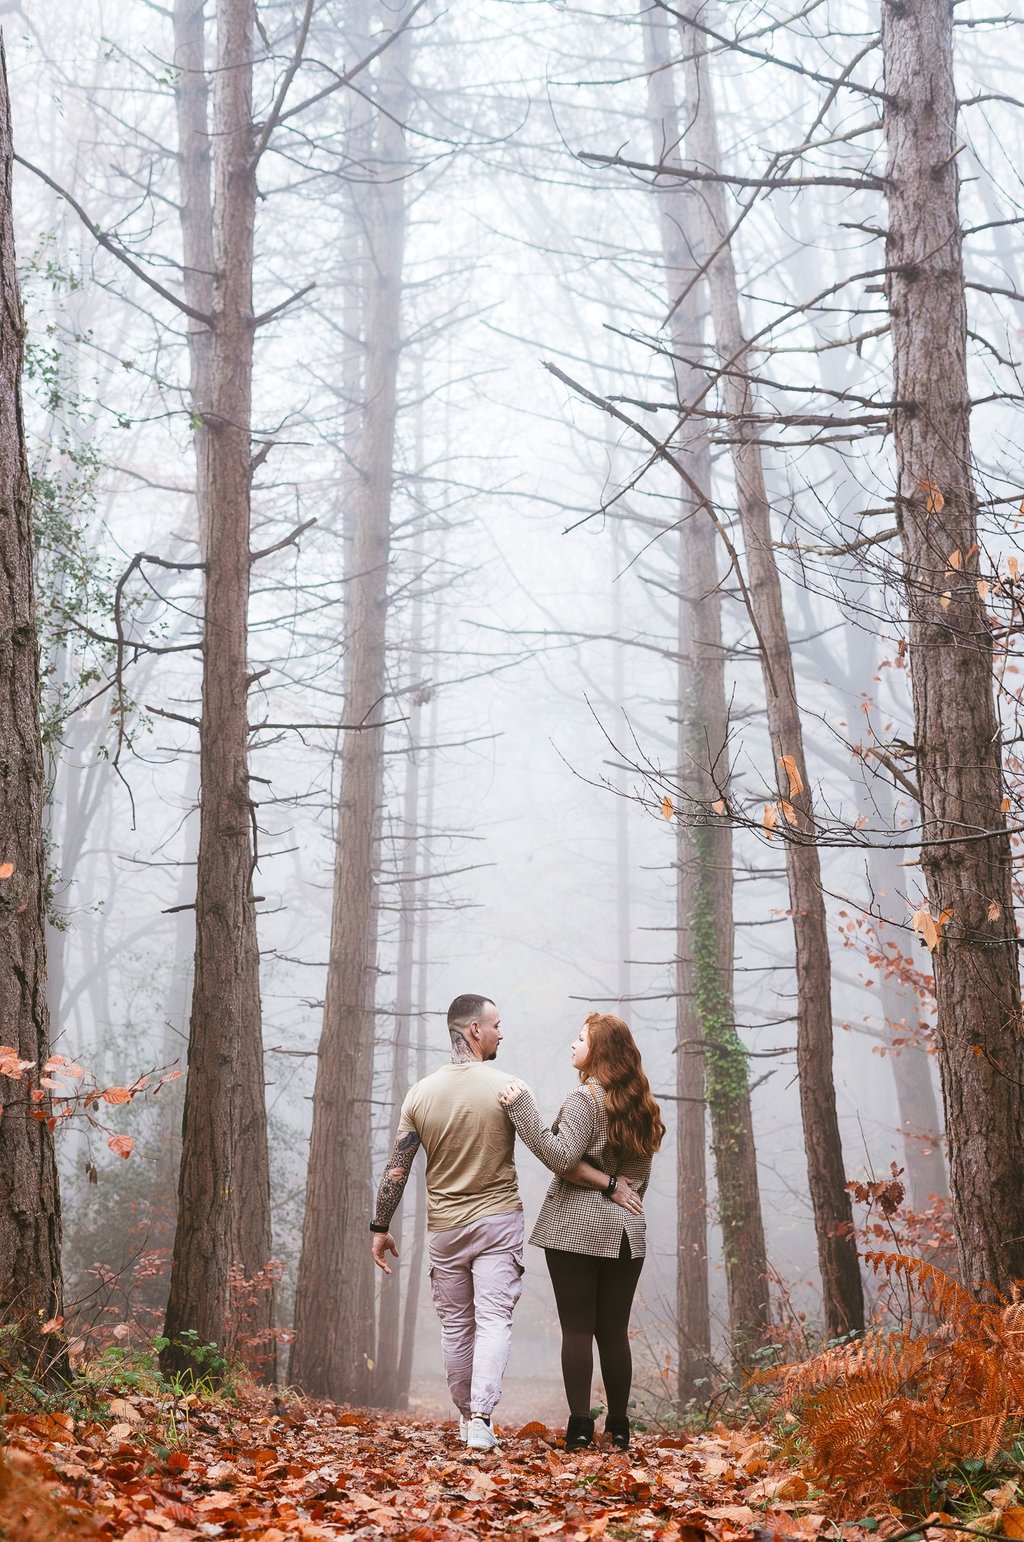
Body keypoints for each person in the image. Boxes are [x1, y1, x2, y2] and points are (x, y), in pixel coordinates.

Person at [370, 994, 639, 1452]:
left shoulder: (419, 1094)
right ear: (475, 1030)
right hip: (498, 1221)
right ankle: (481, 1418)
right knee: (494, 1319)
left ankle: (465, 1417)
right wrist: (611, 1183)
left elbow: (397, 1169)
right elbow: (555, 1156)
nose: (501, 1032)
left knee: (456, 1326)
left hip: (445, 1227)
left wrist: (380, 1226)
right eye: (496, 1024)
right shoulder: (508, 1087)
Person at [500, 1012, 665, 1452]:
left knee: (577, 1330)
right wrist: (613, 1186)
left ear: (600, 1052)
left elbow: (561, 1158)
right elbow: (637, 1182)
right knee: (613, 1332)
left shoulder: (584, 1099)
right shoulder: (642, 1106)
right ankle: (619, 1427)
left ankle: (578, 1429)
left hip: (575, 1229)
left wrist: (522, 1110)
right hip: (628, 1231)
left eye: (581, 1039)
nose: (573, 1045)